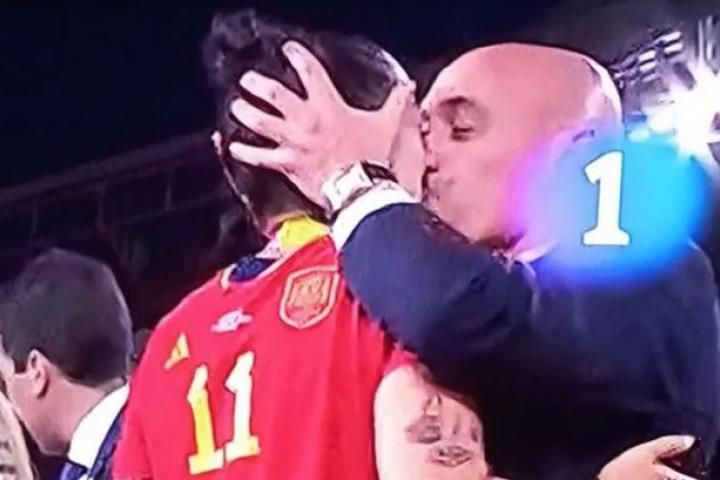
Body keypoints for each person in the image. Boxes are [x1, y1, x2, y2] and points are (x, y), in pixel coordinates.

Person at [227, 41, 720, 479]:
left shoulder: (657, 265)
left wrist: (350, 178)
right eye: (423, 135)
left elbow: (461, 309)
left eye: (460, 129)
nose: (428, 157)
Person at [112, 10, 489, 480]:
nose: (431, 155)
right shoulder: (400, 293)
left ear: (233, 169)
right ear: (371, 136)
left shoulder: (171, 338)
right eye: (420, 125)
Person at [0, 248, 134, 480]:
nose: (11, 405)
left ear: (36, 371)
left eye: (5, 381)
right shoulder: (163, 427)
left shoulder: (132, 459)